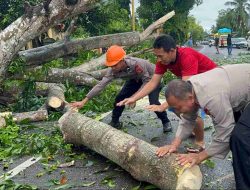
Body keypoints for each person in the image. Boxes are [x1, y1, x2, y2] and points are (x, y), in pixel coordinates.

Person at [156, 64, 250, 190]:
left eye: (178, 107)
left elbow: (225, 131)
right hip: (240, 94)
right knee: (241, 140)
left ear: (190, 98)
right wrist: (174, 145)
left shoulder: (212, 96)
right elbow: (188, 119)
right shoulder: (191, 89)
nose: (177, 111)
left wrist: (200, 156)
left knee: (239, 137)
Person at [117, 34, 217, 151]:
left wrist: (163, 106)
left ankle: (200, 142)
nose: (158, 60)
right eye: (156, 56)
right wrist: (134, 98)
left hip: (211, 83)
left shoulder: (187, 56)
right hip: (193, 83)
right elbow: (153, 82)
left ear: (172, 51)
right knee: (177, 109)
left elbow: (184, 89)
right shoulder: (162, 62)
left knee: (199, 112)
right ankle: (192, 132)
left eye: (160, 56)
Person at [70, 45, 172, 132]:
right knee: (120, 98)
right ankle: (115, 122)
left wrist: (134, 98)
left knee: (153, 102)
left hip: (153, 79)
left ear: (122, 60)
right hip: (135, 79)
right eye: (111, 65)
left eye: (115, 65)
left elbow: (147, 82)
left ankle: (166, 122)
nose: (113, 67)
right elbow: (101, 85)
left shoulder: (136, 64)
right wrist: (84, 101)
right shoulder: (112, 71)